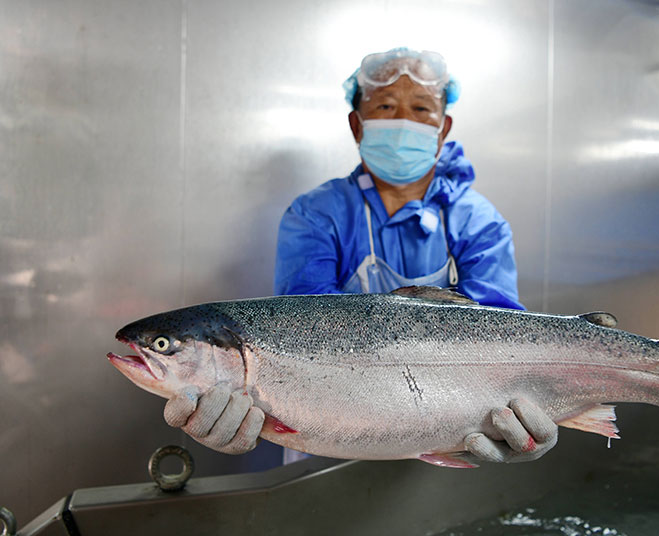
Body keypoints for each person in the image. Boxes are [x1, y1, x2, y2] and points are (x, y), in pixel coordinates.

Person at [163, 48, 558, 467]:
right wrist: (244, 403)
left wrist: (533, 408)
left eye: (420, 108)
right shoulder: (317, 213)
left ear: (443, 127)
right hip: (325, 440)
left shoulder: (478, 221)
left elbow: (505, 338)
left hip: (455, 437)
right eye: (385, 107)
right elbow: (303, 331)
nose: (403, 121)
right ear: (357, 124)